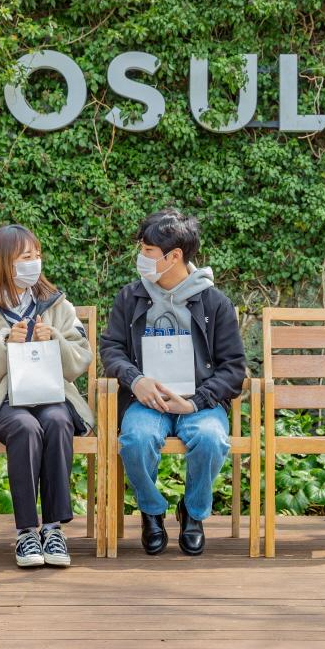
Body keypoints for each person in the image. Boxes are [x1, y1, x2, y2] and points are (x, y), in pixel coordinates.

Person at [0, 224, 93, 568]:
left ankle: (54, 529)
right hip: (1, 400)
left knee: (58, 420)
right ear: (3, 262)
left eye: (37, 255)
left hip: (51, 393)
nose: (34, 263)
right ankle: (27, 531)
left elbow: (80, 357)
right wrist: (2, 343)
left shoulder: (55, 302)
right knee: (25, 427)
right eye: (26, 257)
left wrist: (53, 339)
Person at [100, 208, 247, 556]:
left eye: (148, 250)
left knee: (211, 439)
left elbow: (234, 368)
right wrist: (135, 381)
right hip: (145, 400)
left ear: (174, 256)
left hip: (198, 402)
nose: (141, 256)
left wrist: (196, 402)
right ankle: (152, 510)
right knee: (135, 439)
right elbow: (111, 348)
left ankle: (192, 513)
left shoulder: (214, 302)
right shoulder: (130, 296)